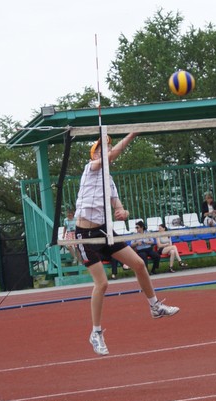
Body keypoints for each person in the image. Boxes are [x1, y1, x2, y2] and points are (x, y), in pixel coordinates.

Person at [73, 134, 179, 356]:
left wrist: (123, 212)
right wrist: (131, 134)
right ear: (95, 154)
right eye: (103, 148)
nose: (107, 150)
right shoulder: (90, 168)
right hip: (85, 234)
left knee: (139, 264)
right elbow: (112, 154)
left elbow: (119, 206)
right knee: (102, 284)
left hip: (104, 230)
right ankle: (96, 332)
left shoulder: (109, 180)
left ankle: (155, 306)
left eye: (108, 147)